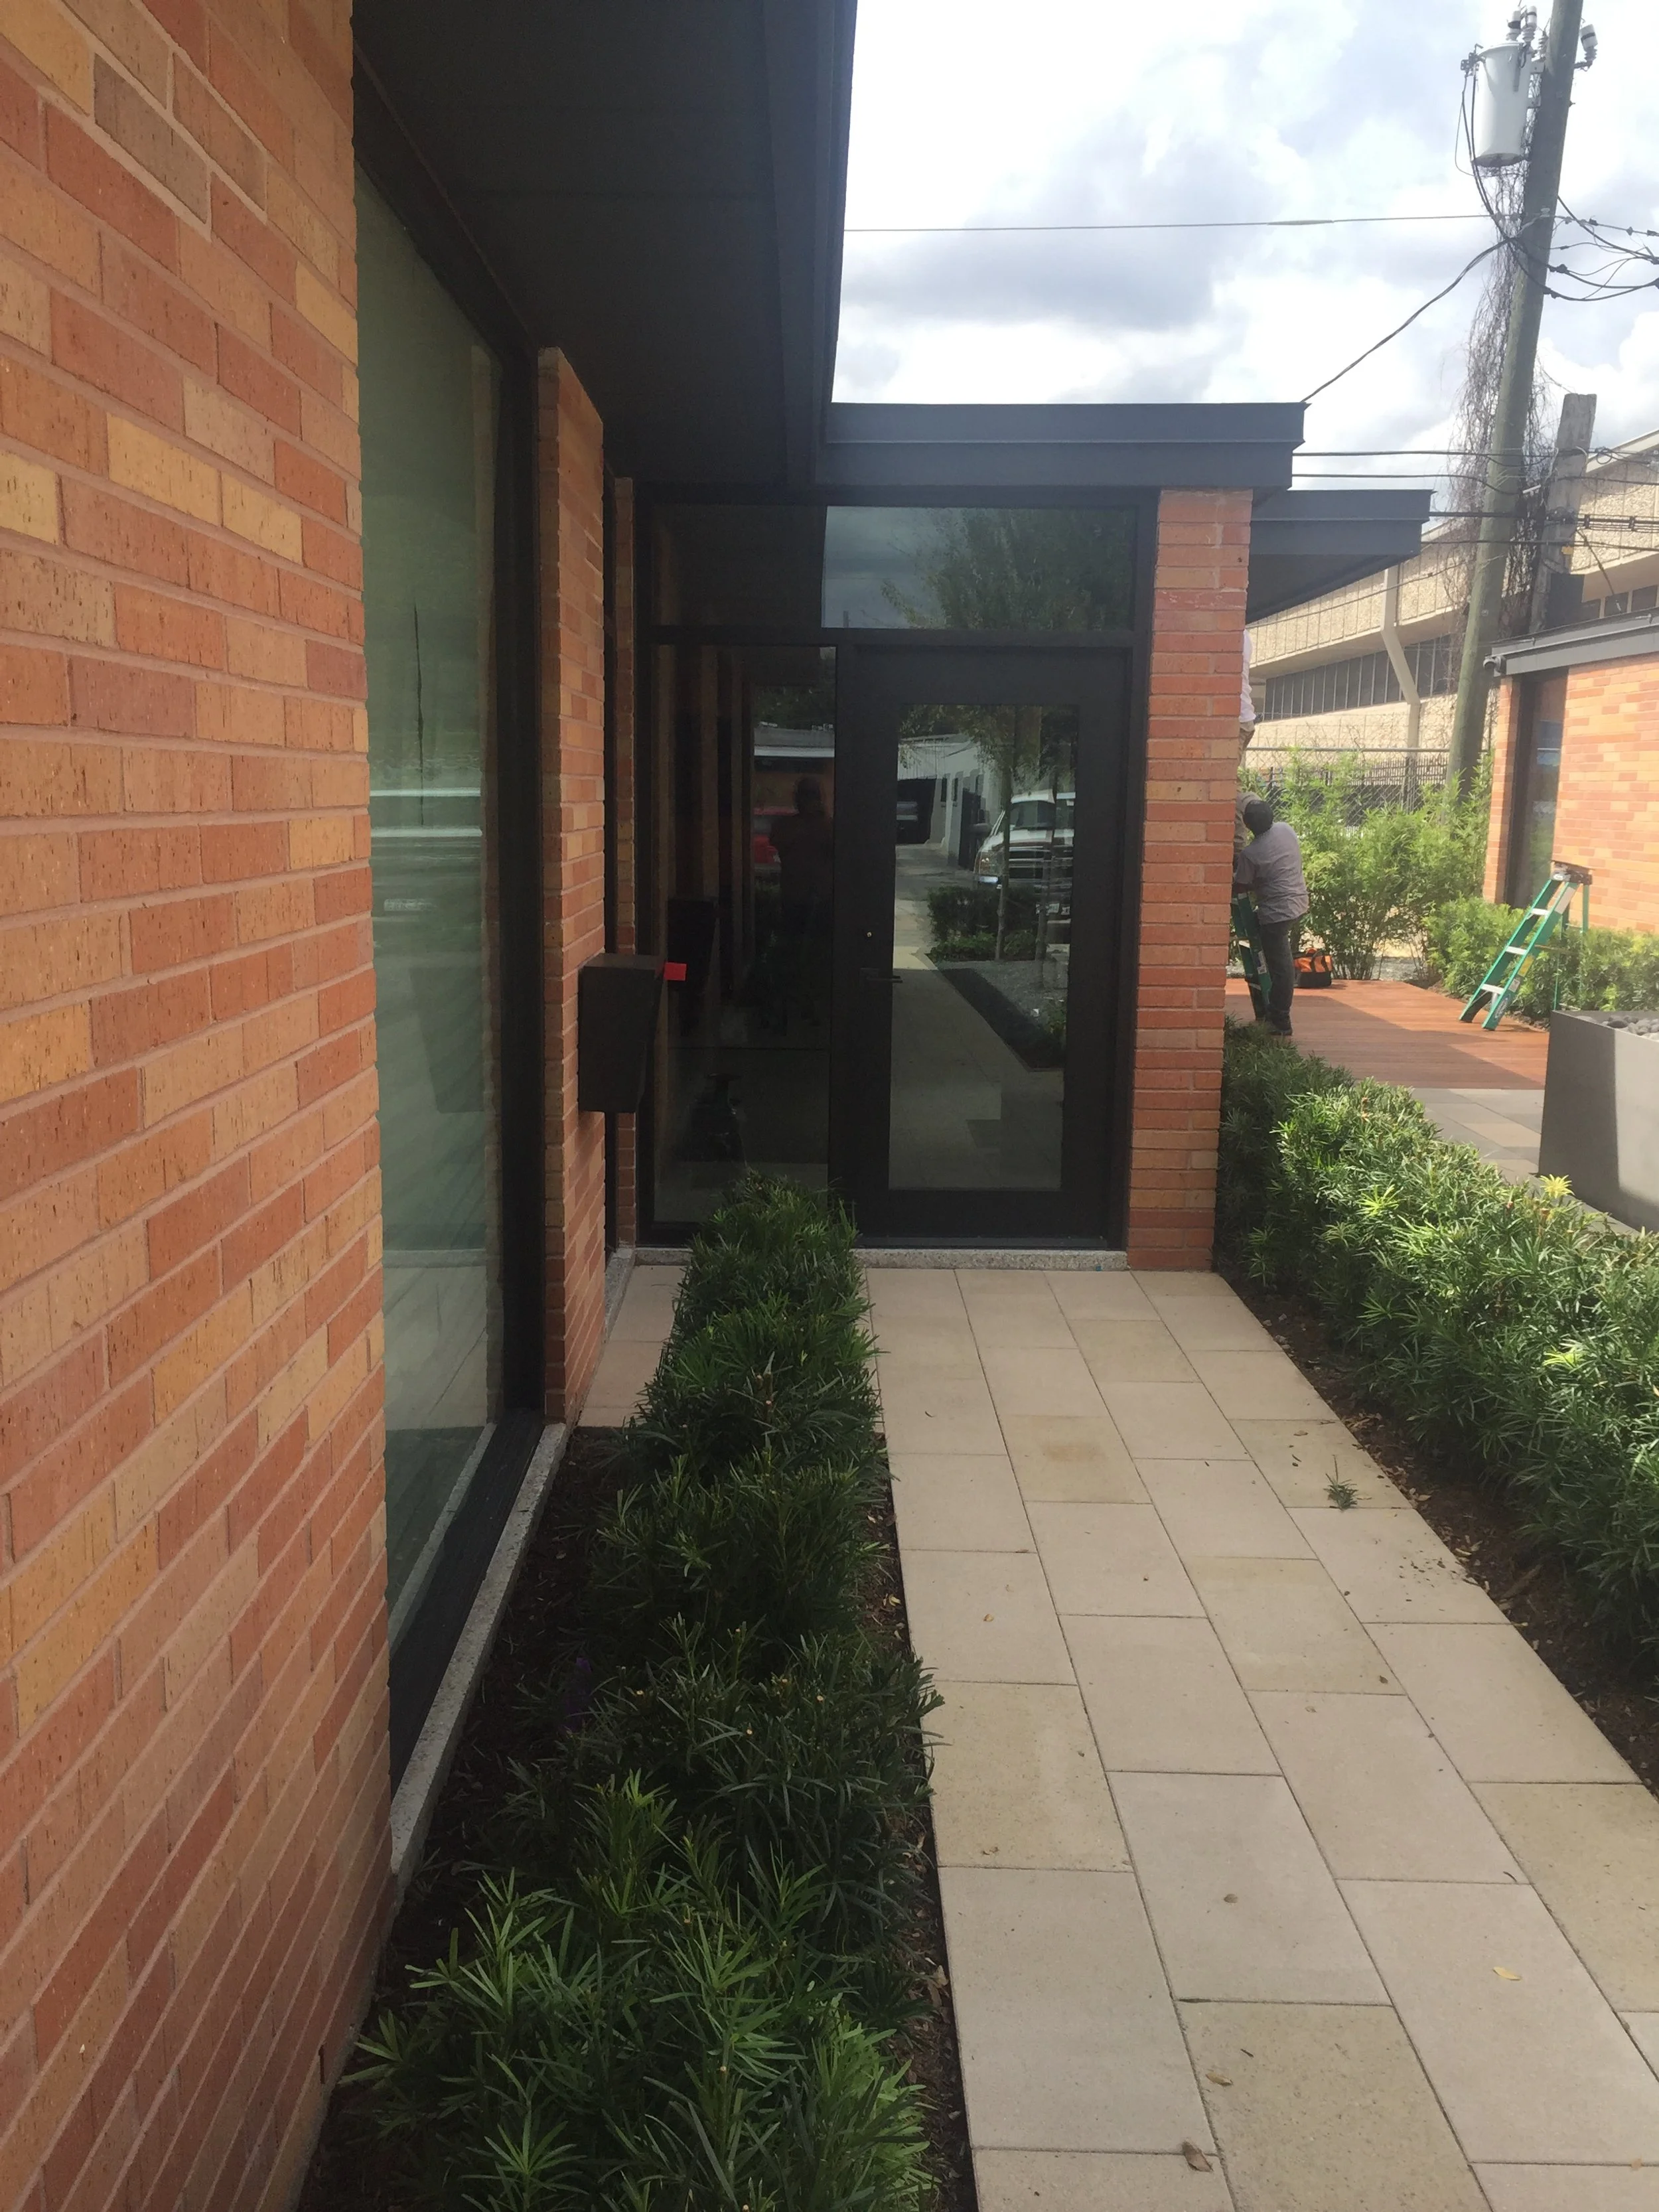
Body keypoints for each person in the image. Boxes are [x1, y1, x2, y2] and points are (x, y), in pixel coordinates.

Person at [1234, 797, 1308, 1037]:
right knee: (1275, 956)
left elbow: (1241, 886)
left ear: (1246, 824)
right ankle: (1272, 1011)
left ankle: (1280, 1020)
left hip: (1276, 914)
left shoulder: (1251, 854)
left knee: (1281, 968)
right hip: (1297, 902)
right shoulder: (1286, 830)